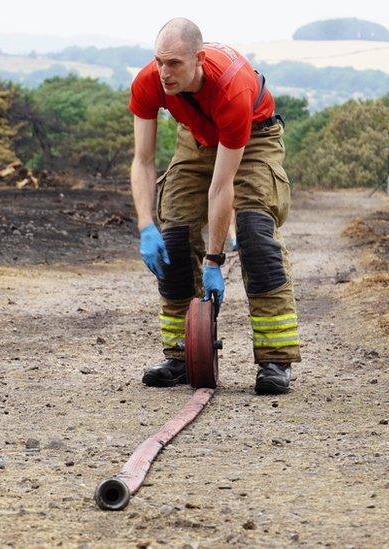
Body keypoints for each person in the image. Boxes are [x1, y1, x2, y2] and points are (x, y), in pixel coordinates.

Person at [128, 18, 300, 394]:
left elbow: (221, 188)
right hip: (196, 135)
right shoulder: (148, 81)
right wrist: (145, 225)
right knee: (173, 236)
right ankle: (180, 355)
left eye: (174, 63)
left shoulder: (232, 89)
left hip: (252, 135)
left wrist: (214, 262)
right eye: (159, 61)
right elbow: (142, 161)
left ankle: (275, 358)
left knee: (256, 235)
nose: (163, 72)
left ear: (199, 59)